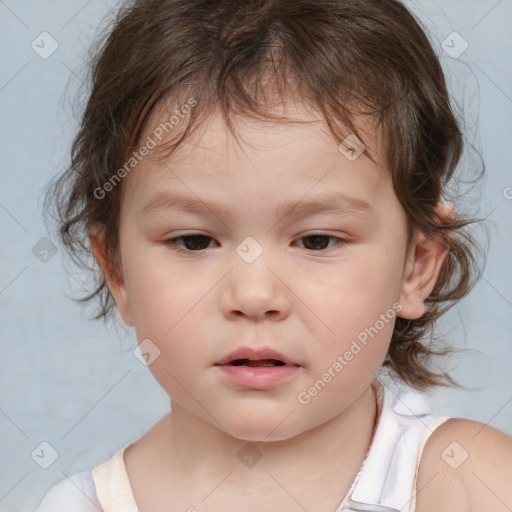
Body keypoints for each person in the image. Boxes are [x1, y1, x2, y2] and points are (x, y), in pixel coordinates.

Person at [36, 0, 512, 511]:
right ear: (117, 270)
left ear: (415, 267)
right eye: (194, 241)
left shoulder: (470, 486)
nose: (254, 296)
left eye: (317, 241)